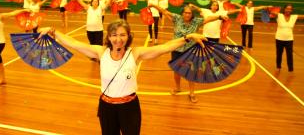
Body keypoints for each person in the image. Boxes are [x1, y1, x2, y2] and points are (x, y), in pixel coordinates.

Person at [38, 19, 206, 135]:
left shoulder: (136, 53)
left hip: (129, 107)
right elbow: (73, 43)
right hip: (106, 107)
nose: (118, 39)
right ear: (109, 37)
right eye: (114, 35)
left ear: (128, 36)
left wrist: (188, 37)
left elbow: (165, 47)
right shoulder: (100, 52)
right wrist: (54, 32)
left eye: (122, 35)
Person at [150, 4, 228, 103]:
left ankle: (192, 93)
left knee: (191, 71)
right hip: (176, 49)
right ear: (182, 13)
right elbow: (165, 11)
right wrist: (153, 5)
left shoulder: (196, 22)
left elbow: (209, 18)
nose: (187, 15)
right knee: (176, 71)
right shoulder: (177, 19)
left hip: (190, 51)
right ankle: (178, 88)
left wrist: (219, 16)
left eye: (189, 13)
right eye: (185, 12)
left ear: (192, 14)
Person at [272, 4, 304, 72]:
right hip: (279, 38)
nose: (288, 10)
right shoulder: (279, 15)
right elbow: (272, 12)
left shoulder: (294, 17)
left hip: (289, 39)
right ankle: (278, 66)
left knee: (289, 54)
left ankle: (290, 69)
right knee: (279, 54)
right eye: (287, 8)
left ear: (292, 10)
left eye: (290, 9)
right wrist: (269, 9)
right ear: (284, 9)